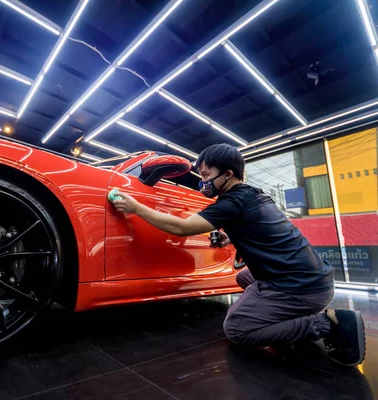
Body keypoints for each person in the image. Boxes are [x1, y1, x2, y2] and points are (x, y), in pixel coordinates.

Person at [110, 143, 365, 366]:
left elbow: (181, 227)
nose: (203, 182)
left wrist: (136, 207)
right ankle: (286, 317)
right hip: (315, 278)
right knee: (244, 277)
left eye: (207, 175)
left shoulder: (231, 203)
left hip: (301, 287)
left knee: (238, 329)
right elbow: (262, 229)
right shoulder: (253, 194)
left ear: (228, 174)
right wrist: (230, 237)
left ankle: (327, 325)